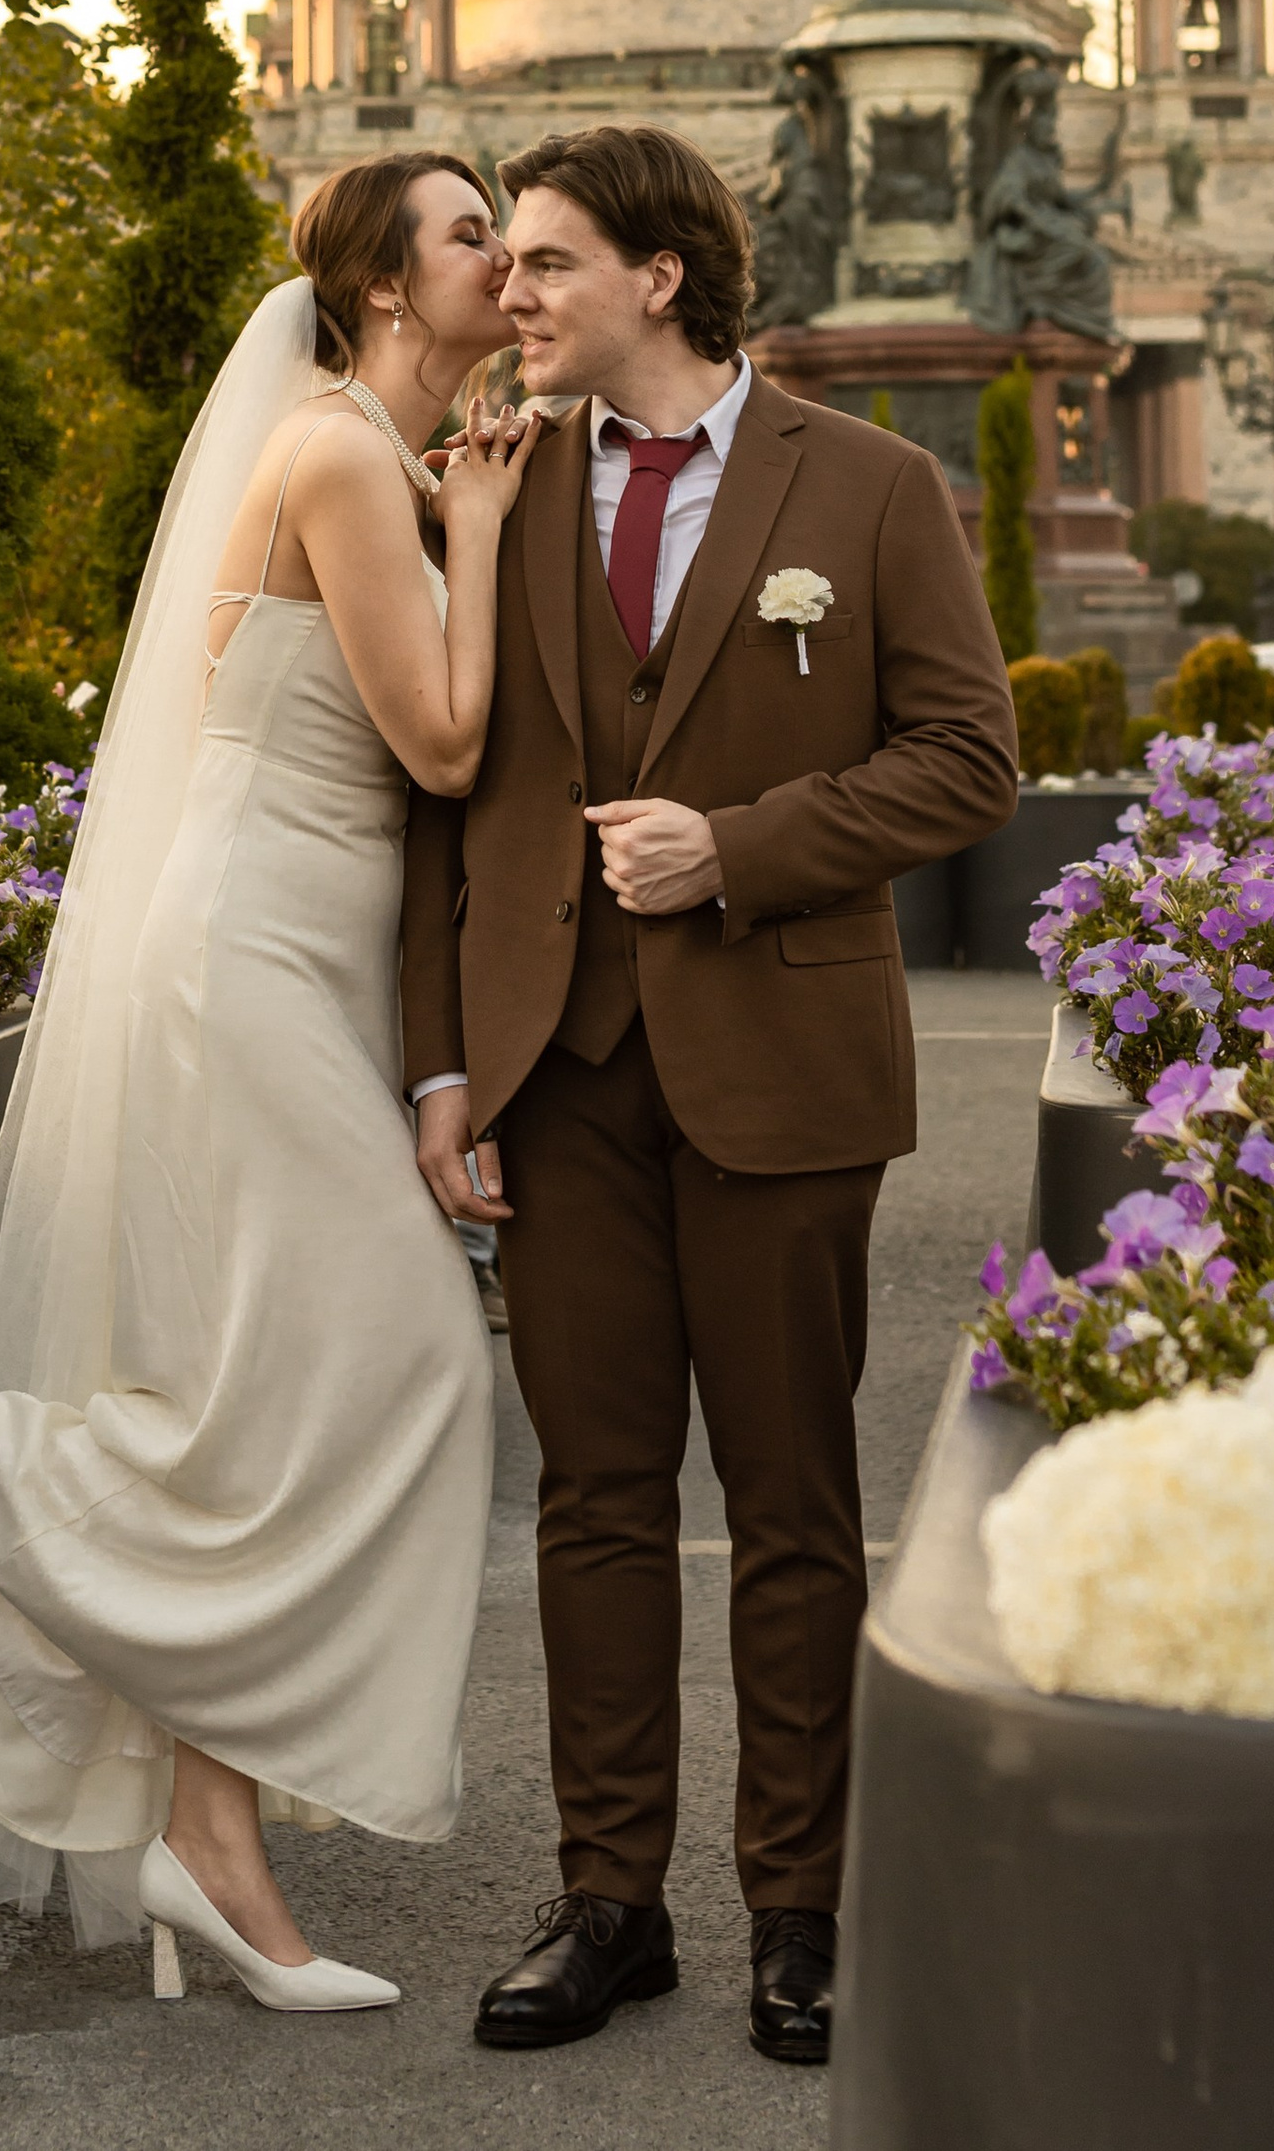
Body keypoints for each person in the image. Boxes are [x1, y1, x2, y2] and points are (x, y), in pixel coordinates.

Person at [0, 153, 531, 2014]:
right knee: (393, 1351)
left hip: (314, 957)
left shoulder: (393, 459)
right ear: (390, 293)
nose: (504, 257)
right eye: (473, 232)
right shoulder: (336, 455)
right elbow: (447, 739)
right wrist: (477, 533)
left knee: (274, 1381)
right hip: (243, 953)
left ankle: (214, 1848)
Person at [406, 124, 1016, 2066]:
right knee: (587, 1500)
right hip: (559, 1070)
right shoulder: (488, 492)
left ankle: (796, 1908)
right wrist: (444, 1060)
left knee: (788, 1504)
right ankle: (605, 1901)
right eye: (504, 264)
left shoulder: (870, 483)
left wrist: (734, 847)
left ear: (660, 277)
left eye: (547, 265)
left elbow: (964, 760)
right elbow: (449, 808)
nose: (509, 295)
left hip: (779, 1063)